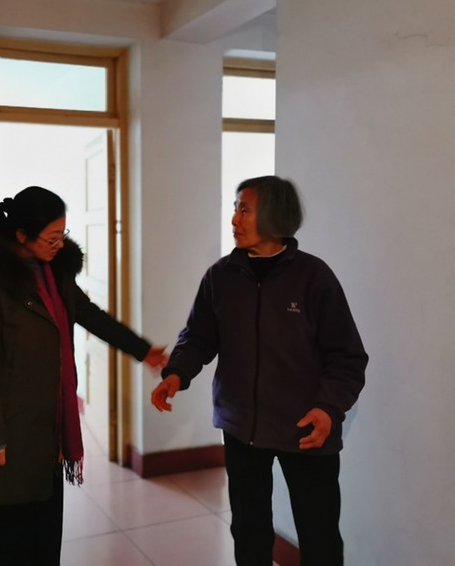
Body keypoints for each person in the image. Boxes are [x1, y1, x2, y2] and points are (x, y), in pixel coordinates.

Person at [151, 176, 367, 566]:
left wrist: (328, 408)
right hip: (241, 427)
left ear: (273, 214)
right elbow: (198, 336)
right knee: (249, 531)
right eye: (235, 208)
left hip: (306, 428)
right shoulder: (221, 277)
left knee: (318, 534)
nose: (234, 219)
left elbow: (347, 357)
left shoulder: (314, 277)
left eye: (244, 209)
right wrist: (176, 373)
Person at [0, 186, 168, 565]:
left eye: (63, 235)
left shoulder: (54, 274)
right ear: (22, 235)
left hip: (47, 431)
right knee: (9, 541)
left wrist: (142, 350)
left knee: (45, 537)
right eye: (51, 238)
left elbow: (91, 316)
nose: (59, 245)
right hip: (8, 434)